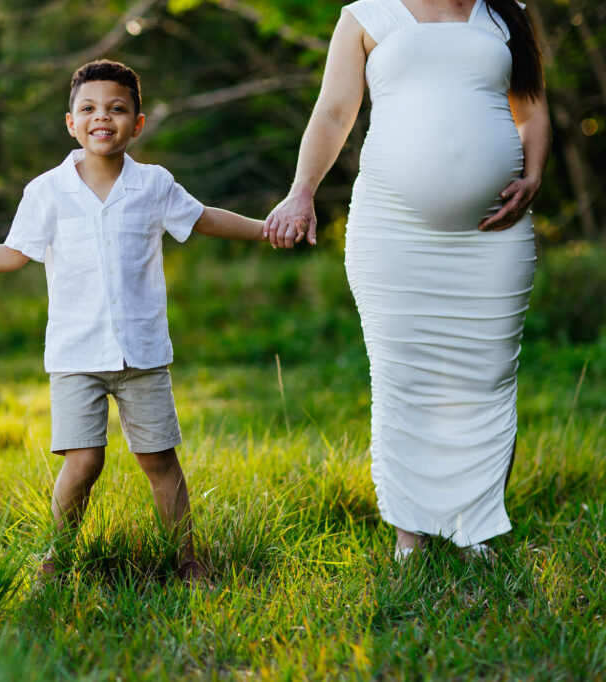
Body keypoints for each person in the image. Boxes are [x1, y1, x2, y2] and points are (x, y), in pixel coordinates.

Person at [0, 59, 284, 582]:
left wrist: (266, 230)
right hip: (75, 353)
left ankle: (189, 559)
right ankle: (55, 557)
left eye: (116, 109)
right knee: (83, 462)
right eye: (88, 109)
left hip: (142, 351)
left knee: (159, 461)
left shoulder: (154, 184)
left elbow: (204, 218)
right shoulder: (47, 190)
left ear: (138, 122)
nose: (101, 118)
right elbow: (14, 251)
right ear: (71, 123)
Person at [264, 0, 550, 560]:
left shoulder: (507, 12)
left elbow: (532, 110)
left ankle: (476, 529)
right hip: (392, 230)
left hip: (494, 233)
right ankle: (411, 534)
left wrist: (533, 174)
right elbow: (333, 111)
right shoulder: (366, 14)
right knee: (404, 379)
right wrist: (302, 190)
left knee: (487, 377)